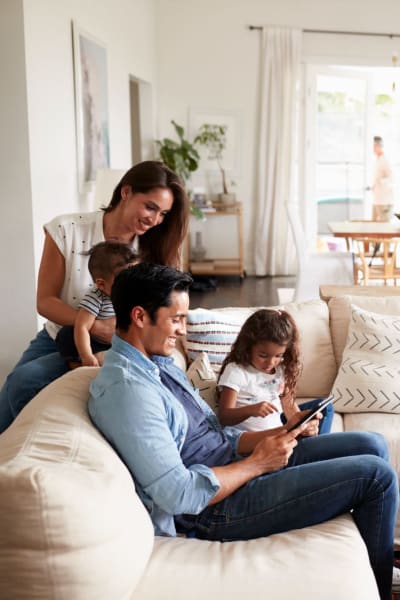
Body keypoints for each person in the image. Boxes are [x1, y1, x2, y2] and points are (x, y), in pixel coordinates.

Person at [88, 263, 399, 600]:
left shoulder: (158, 365)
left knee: (371, 443)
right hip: (214, 508)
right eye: (176, 319)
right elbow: (178, 495)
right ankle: (384, 589)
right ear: (139, 317)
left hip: (236, 464)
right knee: (376, 477)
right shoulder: (128, 390)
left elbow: (216, 434)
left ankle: (375, 558)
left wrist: (274, 436)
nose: (182, 330)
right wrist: (258, 464)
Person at [0, 160, 189, 433]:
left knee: (25, 381)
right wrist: (94, 326)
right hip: (61, 333)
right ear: (126, 192)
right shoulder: (67, 229)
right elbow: (45, 301)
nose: (155, 220)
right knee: (14, 386)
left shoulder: (152, 249)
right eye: (150, 206)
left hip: (115, 345)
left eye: (163, 214)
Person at [217, 308, 334, 434]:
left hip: (281, 433)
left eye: (278, 356)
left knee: (324, 407)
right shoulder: (236, 371)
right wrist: (251, 410)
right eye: (263, 355)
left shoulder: (280, 369)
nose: (270, 362)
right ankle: (317, 448)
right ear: (248, 347)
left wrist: (302, 427)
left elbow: (289, 408)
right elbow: (224, 417)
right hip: (256, 440)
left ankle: (315, 444)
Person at [55, 241, 138, 368]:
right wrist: (86, 355)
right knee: (67, 334)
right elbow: (82, 327)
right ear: (101, 284)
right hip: (96, 344)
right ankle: (76, 364)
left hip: (122, 343)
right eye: (124, 282)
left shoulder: (134, 295)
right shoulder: (96, 298)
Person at [371, 136, 394, 222]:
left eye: (374, 146)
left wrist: (380, 182)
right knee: (373, 225)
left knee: (383, 228)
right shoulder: (377, 160)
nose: (373, 149)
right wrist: (375, 185)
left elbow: (392, 179)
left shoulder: (386, 160)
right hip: (377, 199)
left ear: (377, 146)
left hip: (385, 201)